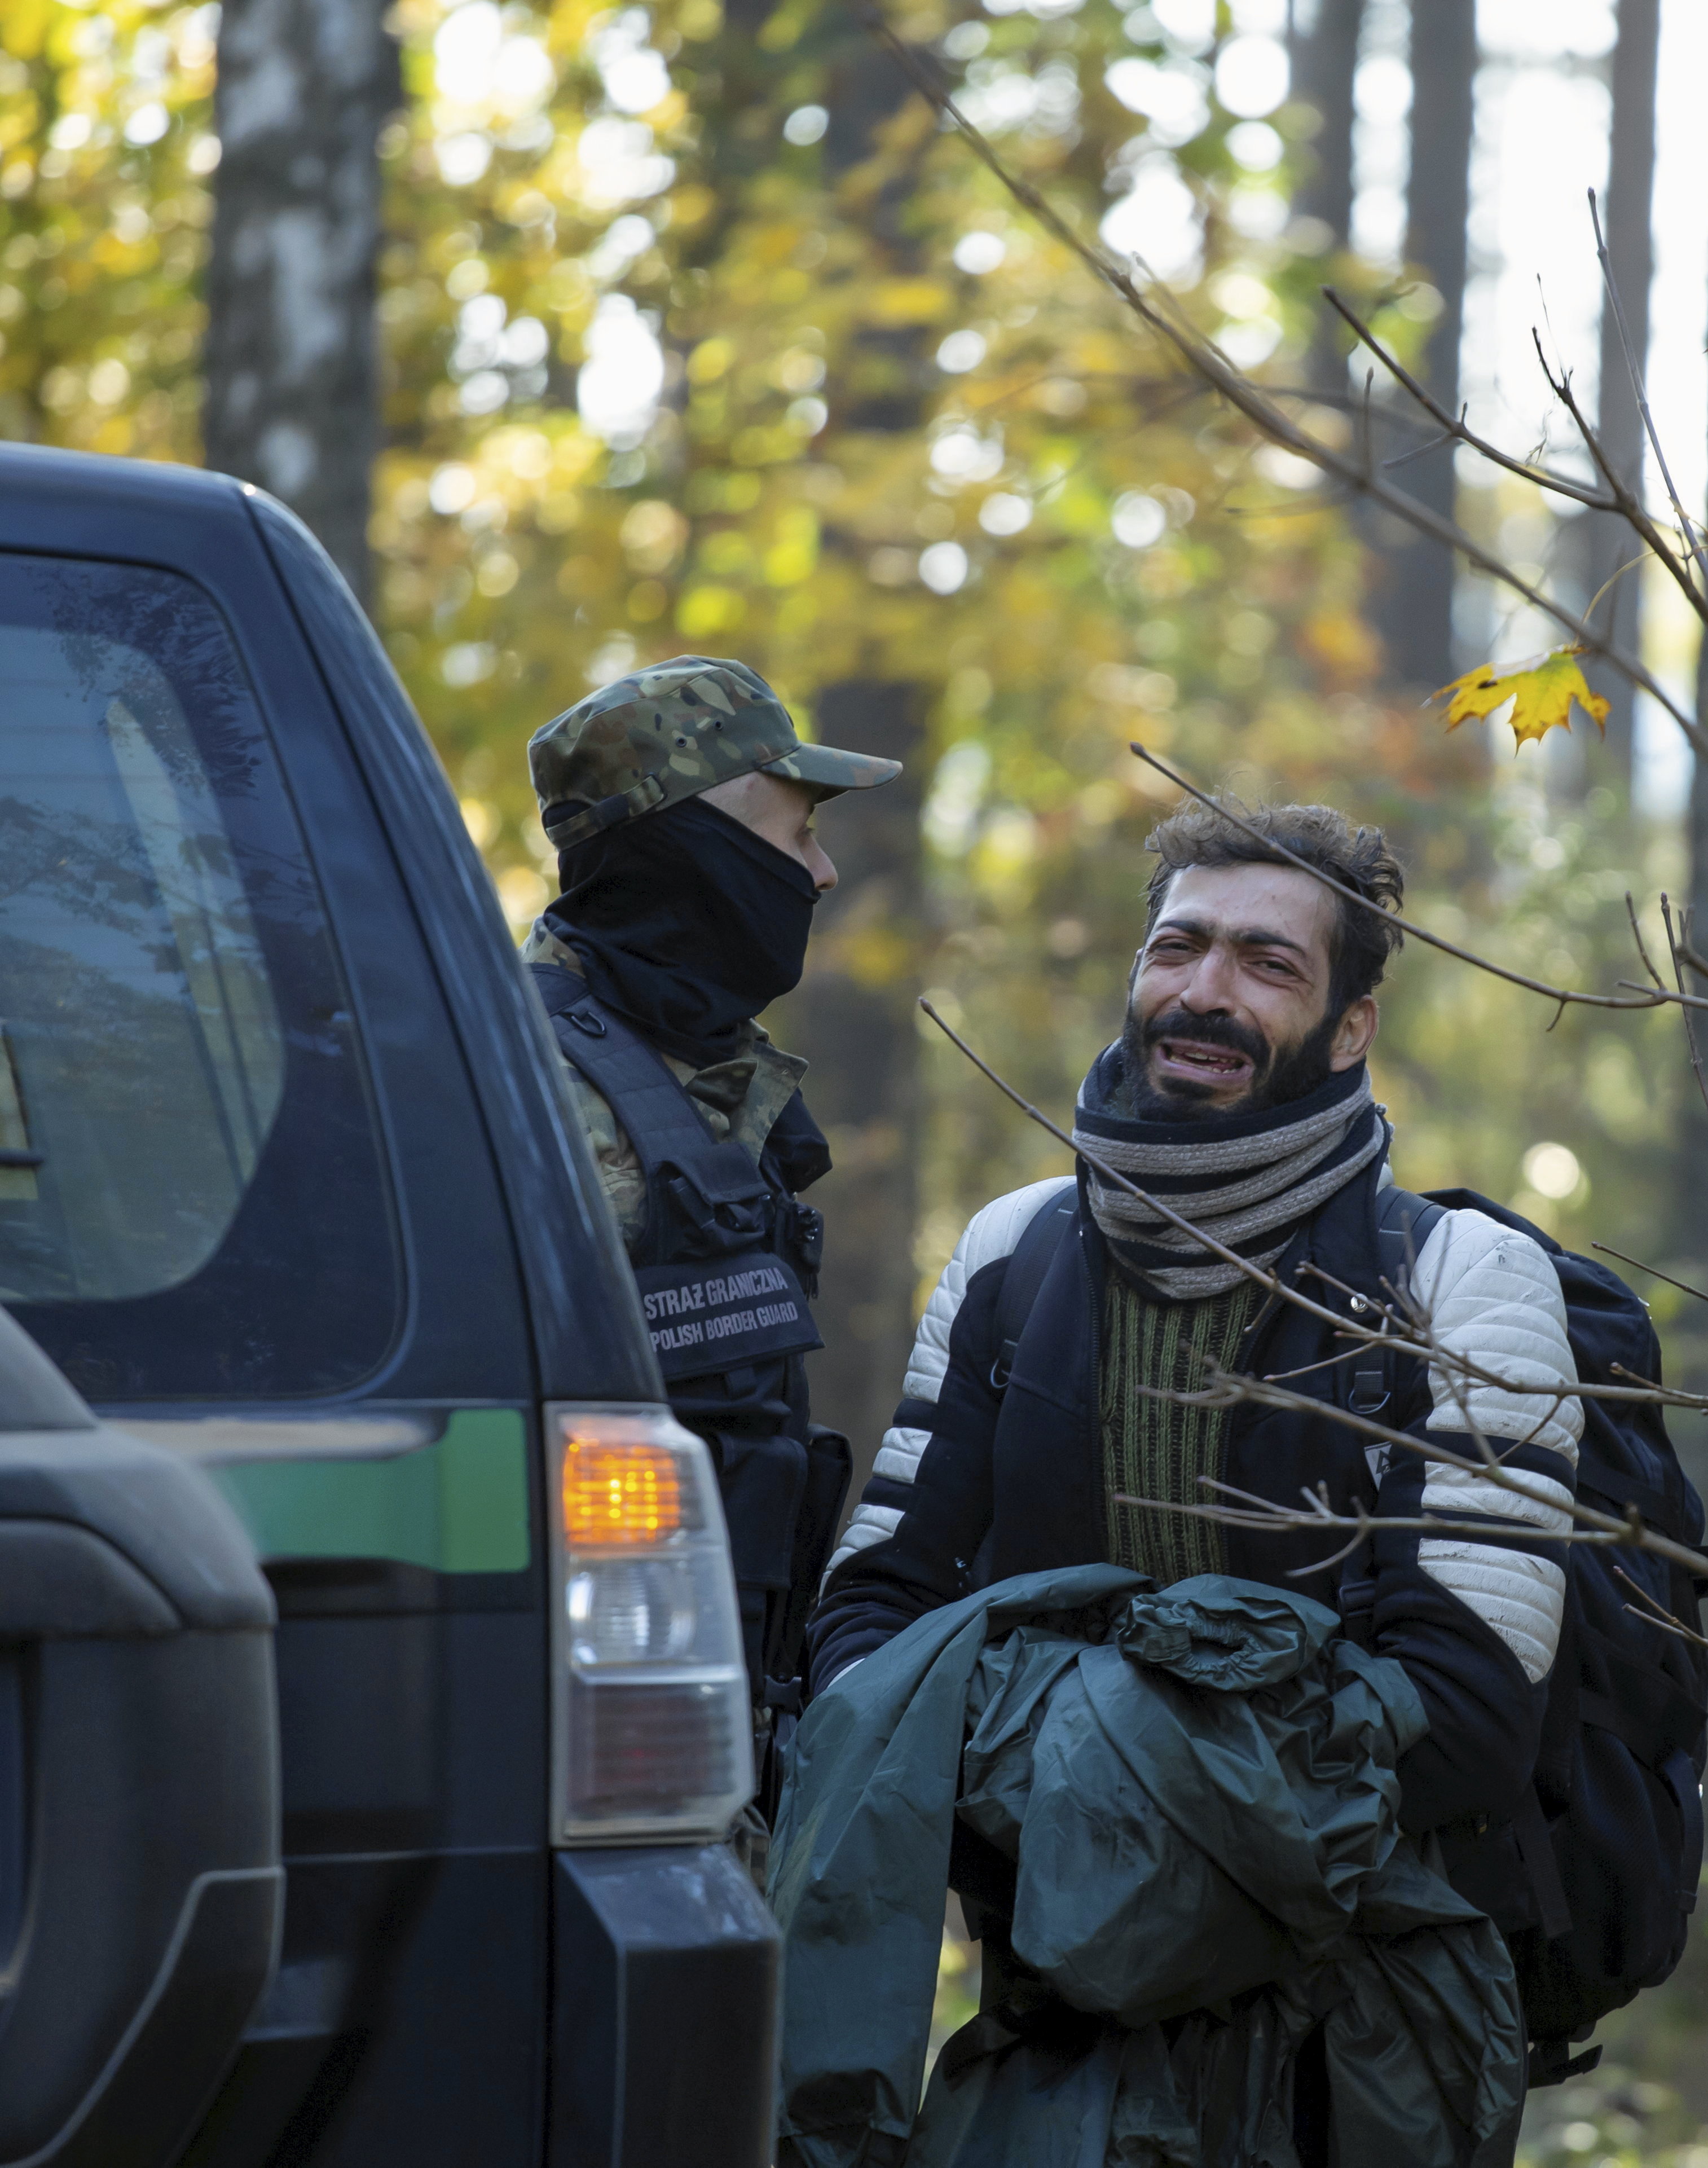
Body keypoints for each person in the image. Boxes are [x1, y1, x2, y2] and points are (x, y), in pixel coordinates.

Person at [806, 802, 1579, 2116]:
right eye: (1179, 947)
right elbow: (868, 1632)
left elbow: (1464, 1717)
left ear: (1351, 1028)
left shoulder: (1467, 1279)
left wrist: (1040, 1751)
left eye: (1268, 964)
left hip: (1361, 2043)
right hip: (1050, 2012)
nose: (1204, 993)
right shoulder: (1014, 1250)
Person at [525, 654, 901, 1817]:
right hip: (575, 1766)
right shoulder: (518, 1091)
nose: (826, 872)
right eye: (798, 834)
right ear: (701, 844)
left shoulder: (717, 1086)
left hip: (713, 1739)